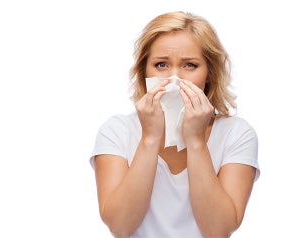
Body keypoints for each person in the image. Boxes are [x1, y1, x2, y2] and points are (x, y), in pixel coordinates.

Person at [89, 11, 260, 238]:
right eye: (161, 65)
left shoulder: (237, 134)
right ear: (143, 72)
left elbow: (218, 230)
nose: (174, 79)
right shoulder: (116, 131)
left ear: (209, 73)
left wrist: (196, 141)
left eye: (190, 65)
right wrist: (150, 138)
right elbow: (120, 227)